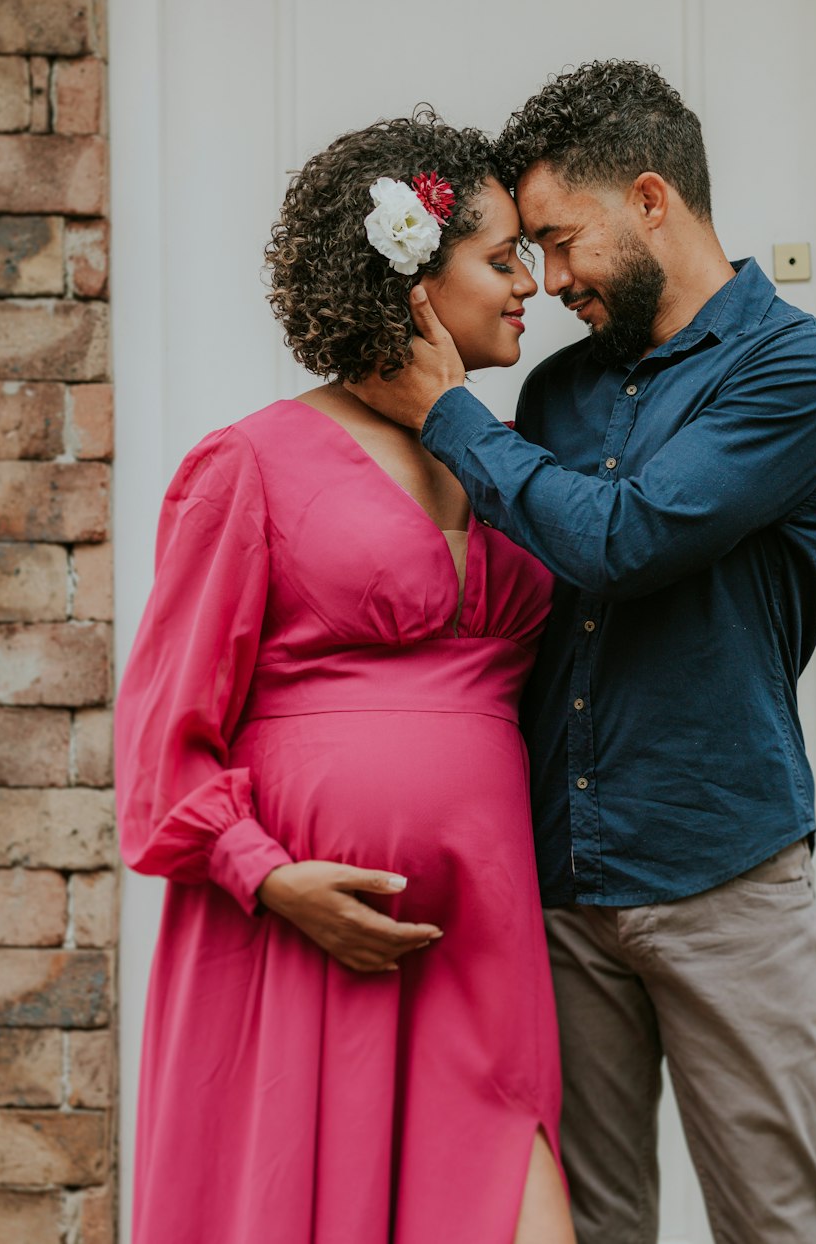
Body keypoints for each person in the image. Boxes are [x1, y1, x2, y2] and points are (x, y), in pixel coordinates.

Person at [347, 61, 816, 1244]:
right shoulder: (563, 390)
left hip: (722, 873)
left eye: (559, 240)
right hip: (562, 887)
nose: (548, 277)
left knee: (776, 1222)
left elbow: (622, 541)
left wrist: (449, 415)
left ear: (647, 199)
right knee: (587, 1225)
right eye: (524, 251)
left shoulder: (796, 369)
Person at [114, 111, 576, 1244]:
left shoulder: (512, 457)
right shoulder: (252, 463)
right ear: (413, 276)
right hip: (294, 933)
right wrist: (268, 878)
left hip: (482, 922)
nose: (530, 284)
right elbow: (161, 734)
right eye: (501, 256)